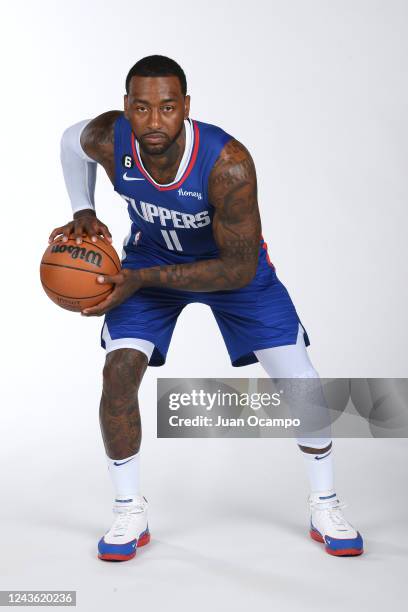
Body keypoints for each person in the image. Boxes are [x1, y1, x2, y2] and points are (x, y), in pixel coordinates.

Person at [49, 55, 363, 561]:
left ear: (186, 107)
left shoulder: (227, 162)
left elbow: (236, 270)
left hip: (230, 270)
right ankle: (129, 509)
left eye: (168, 107)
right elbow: (70, 139)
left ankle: (325, 502)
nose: (155, 121)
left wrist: (139, 280)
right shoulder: (110, 139)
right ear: (126, 108)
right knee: (118, 372)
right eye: (143, 107)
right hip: (149, 262)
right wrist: (82, 209)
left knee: (300, 380)